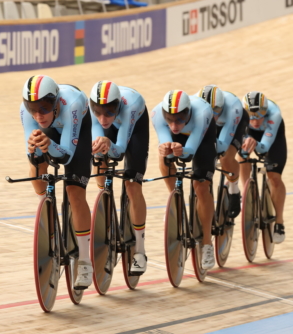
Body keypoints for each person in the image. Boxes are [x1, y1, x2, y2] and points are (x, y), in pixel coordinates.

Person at [20, 75, 93, 288]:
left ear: (55, 102)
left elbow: (68, 156)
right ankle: (48, 210)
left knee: (74, 192)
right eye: (32, 108)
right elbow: (32, 155)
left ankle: (85, 262)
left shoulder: (72, 103)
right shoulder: (28, 113)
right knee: (38, 171)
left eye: (44, 107)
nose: (38, 114)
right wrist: (37, 155)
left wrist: (50, 144)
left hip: (78, 128)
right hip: (53, 132)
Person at [89, 80, 150, 274]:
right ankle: (105, 202)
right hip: (116, 125)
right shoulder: (94, 112)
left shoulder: (129, 106)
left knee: (132, 184)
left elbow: (120, 151)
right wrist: (100, 147)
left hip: (135, 125)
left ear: (118, 105)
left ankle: (140, 251)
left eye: (108, 111)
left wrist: (109, 143)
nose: (102, 117)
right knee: (98, 156)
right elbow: (98, 142)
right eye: (98, 111)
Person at [152, 90, 217, 269]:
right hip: (181, 138)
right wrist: (168, 149)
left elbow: (190, 152)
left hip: (202, 137)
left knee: (201, 185)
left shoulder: (202, 112)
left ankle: (206, 244)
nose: (174, 125)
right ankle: (176, 199)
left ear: (188, 113)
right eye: (170, 119)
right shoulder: (157, 113)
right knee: (164, 156)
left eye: (180, 119)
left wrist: (183, 151)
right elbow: (165, 142)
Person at [239, 91, 287, 244]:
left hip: (272, 137)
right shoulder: (240, 114)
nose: (256, 120)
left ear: (266, 110)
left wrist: (255, 143)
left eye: (260, 115)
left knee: (274, 177)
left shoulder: (274, 114)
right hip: (250, 134)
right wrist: (247, 141)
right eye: (251, 116)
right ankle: (246, 191)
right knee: (243, 153)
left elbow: (264, 148)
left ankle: (279, 222)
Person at [197, 85, 249, 218]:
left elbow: (223, 145)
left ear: (222, 105)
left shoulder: (233, 107)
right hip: (211, 126)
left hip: (234, 124)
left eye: (216, 110)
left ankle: (234, 190)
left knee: (225, 157)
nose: (212, 114)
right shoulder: (195, 104)